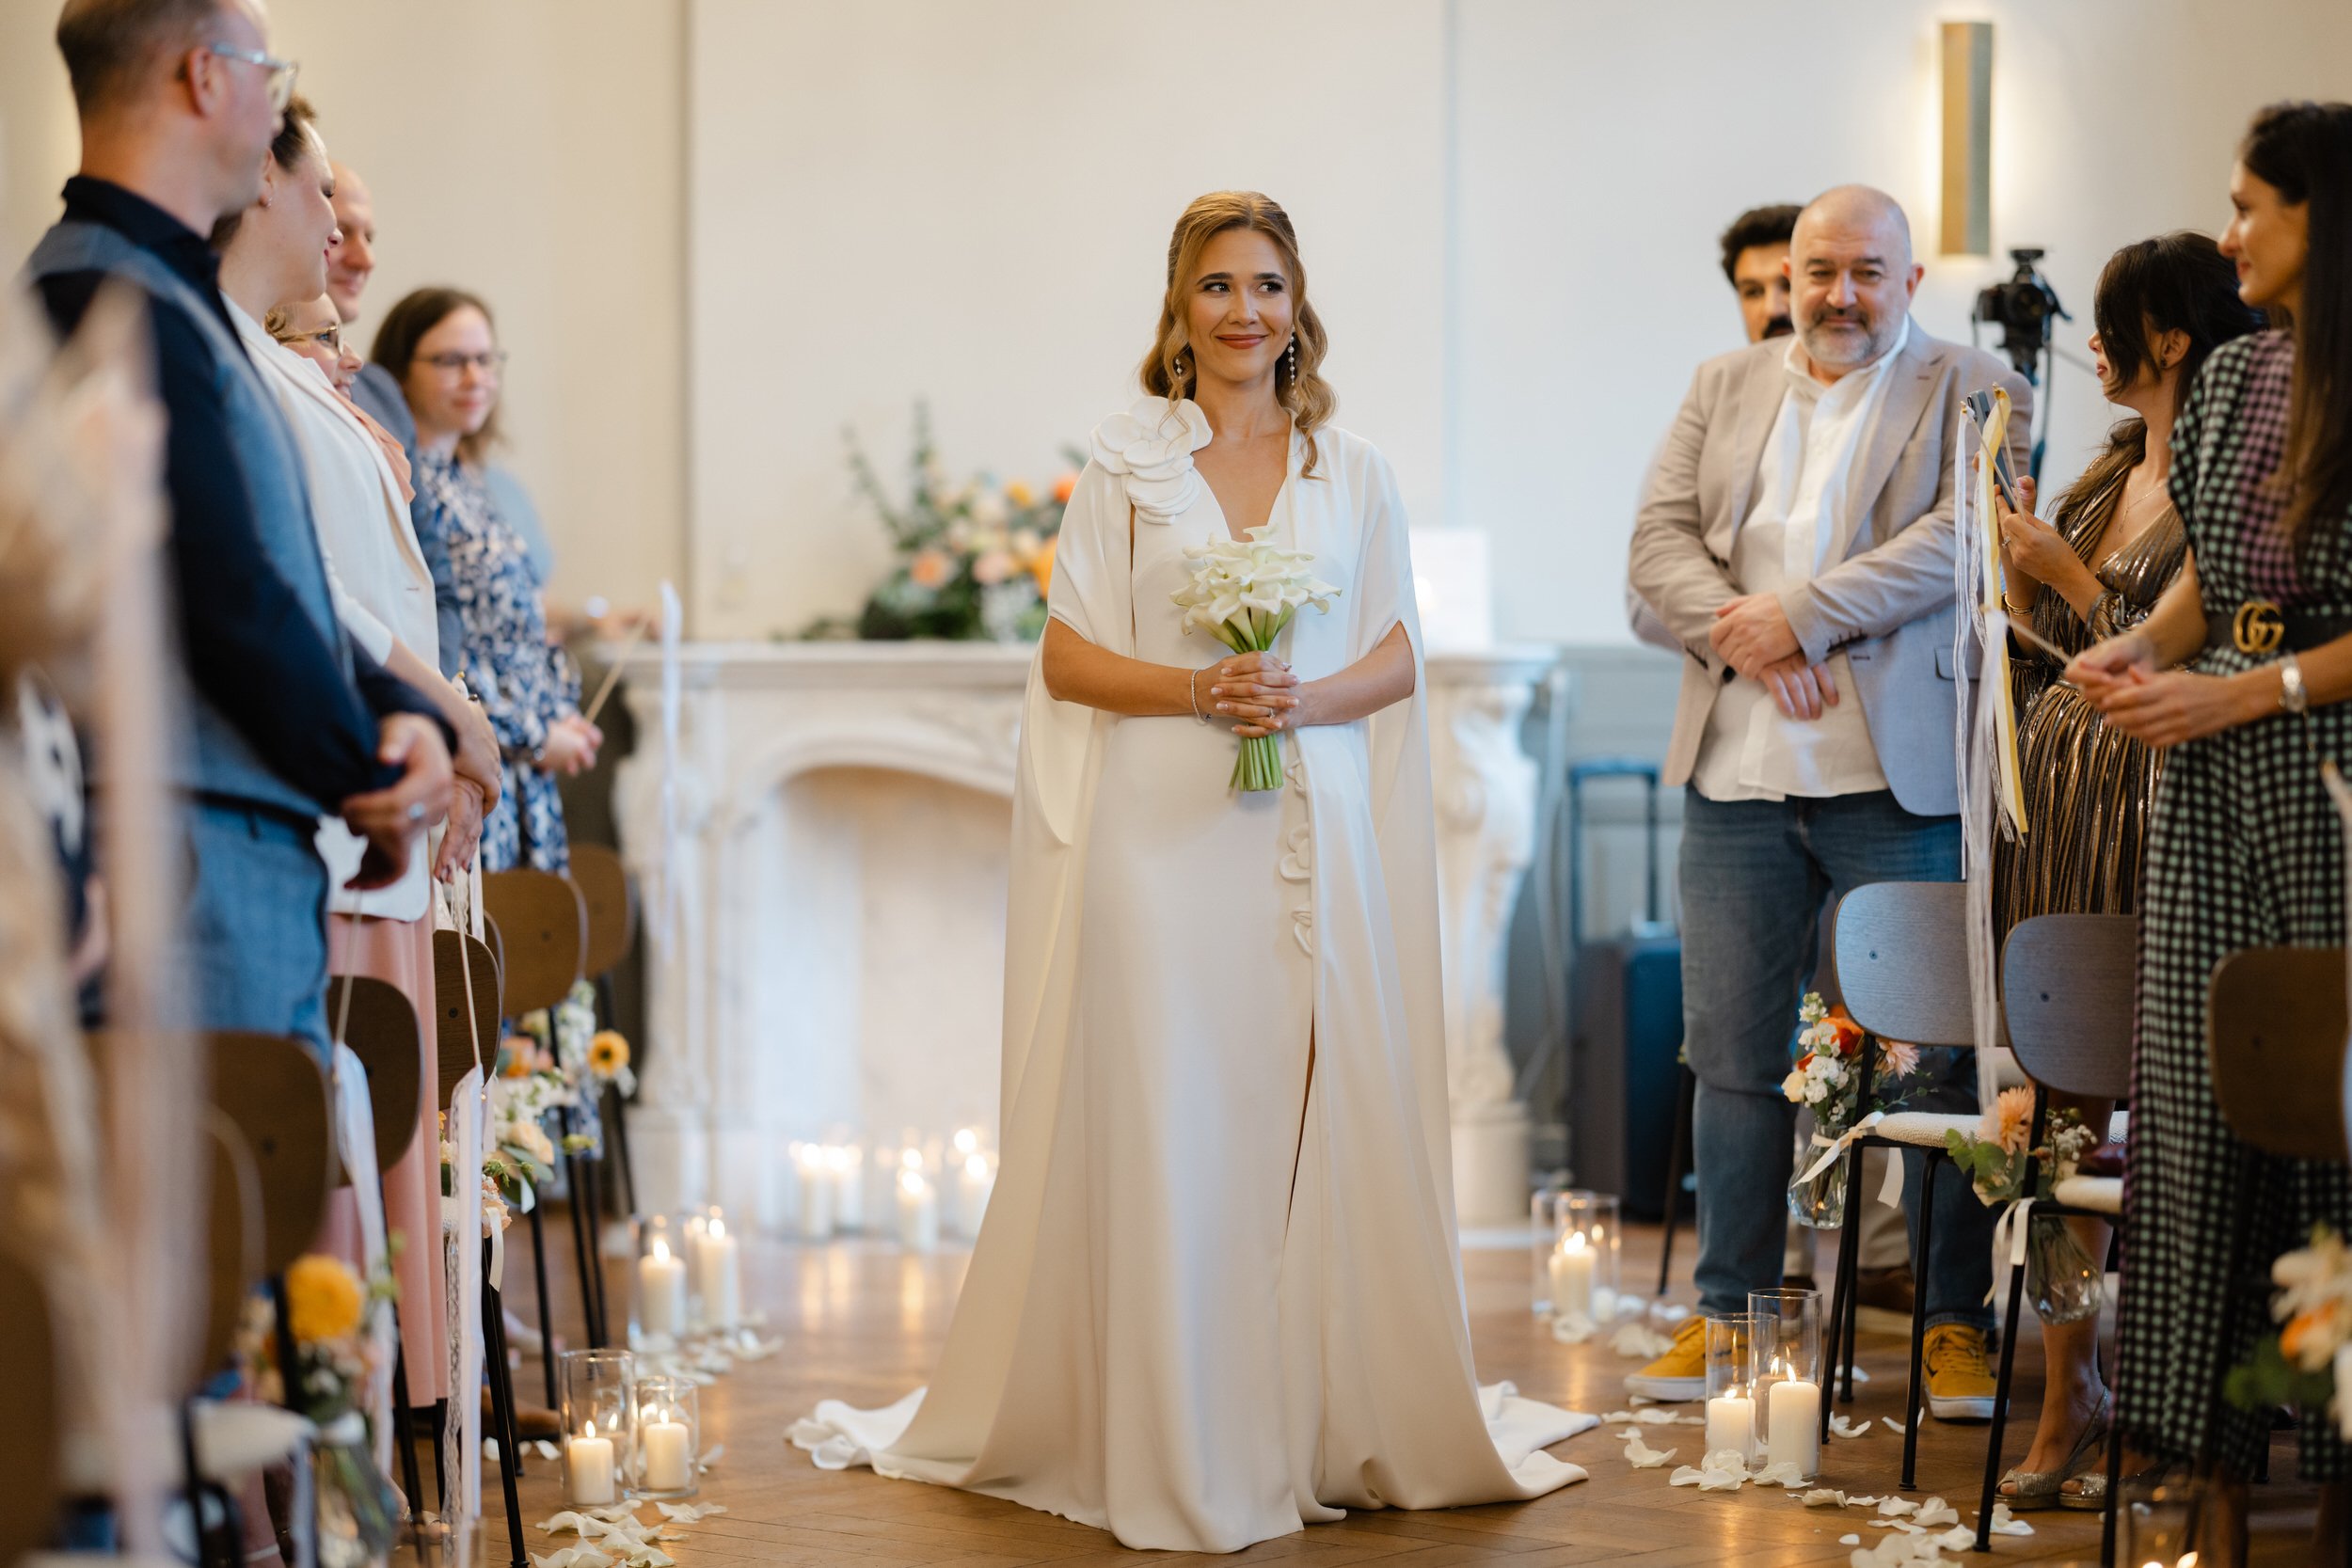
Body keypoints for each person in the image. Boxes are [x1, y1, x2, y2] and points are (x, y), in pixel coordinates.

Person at [788, 191, 1592, 1553]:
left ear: (1298, 304)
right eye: (1217, 286)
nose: (1243, 311)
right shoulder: (1127, 468)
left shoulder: (1356, 470)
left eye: (1266, 284)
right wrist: (1197, 687)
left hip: (1309, 826)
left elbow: (1398, 650)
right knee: (1174, 1123)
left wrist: (1304, 704)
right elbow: (1066, 655)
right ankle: (1172, 1430)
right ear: (1181, 307)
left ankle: (1299, 1411)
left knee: (1293, 1123)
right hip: (1156, 844)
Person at [1624, 185, 2026, 1413]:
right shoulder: (1720, 383)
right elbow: (1653, 559)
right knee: (1740, 1060)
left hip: (1896, 781)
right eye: (1819, 272)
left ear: (1909, 281)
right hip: (1736, 779)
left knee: (1935, 1057)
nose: (1840, 294)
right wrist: (1748, 638)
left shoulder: (1974, 381)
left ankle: (1954, 1319)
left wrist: (1801, 610)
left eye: (1867, 271)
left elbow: (1970, 540)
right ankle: (1733, 1309)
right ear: (1788, 278)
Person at [29, 0, 453, 1054]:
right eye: (272, 74)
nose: (278, 113)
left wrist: (397, 704)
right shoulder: (98, 293)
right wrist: (373, 760)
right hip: (180, 860)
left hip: (229, 841)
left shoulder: (171, 295)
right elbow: (220, 595)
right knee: (217, 1216)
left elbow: (278, 566)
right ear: (206, 79)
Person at [2068, 102, 2352, 1555]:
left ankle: (2337, 1451)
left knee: (2327, 1123)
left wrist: (2244, 691)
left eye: (2254, 207)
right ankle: (2206, 1463)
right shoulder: (2236, 370)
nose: (2228, 234)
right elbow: (2210, 581)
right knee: (2189, 1110)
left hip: (2328, 769)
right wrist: (2141, 651)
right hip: (2213, 769)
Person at [216, 95, 507, 1420]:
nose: (339, 224)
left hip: (377, 812)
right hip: (340, 805)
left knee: (383, 1137)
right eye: (325, 194)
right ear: (262, 190)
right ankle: (331, 1453)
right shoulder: (240, 365)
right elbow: (312, 590)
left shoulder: (289, 375)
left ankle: (368, 1441)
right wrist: (449, 707)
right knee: (333, 1161)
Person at [1983, 233, 2264, 1509]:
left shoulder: (2230, 466)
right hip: (2060, 810)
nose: (2090, 343)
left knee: (2171, 1119)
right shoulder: (2106, 464)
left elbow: (2189, 656)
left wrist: (2069, 576)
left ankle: (2173, 1404)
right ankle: (2066, 1386)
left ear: (2166, 336)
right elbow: (2050, 637)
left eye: (2112, 321)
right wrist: (2019, 568)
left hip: (2163, 812)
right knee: (2060, 1108)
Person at [373, 287, 598, 872]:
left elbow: (511, 630)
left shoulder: (471, 480)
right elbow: (437, 647)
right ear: (400, 372)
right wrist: (531, 733)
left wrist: (556, 719)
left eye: (485, 359)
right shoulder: (408, 487)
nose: (475, 376)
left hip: (523, 769)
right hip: (478, 760)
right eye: (451, 361)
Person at [1627, 204, 1806, 652]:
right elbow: (1642, 606)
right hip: (1734, 690)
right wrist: (1767, 636)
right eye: (1751, 291)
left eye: (1787, 285)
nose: (1773, 308)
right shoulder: (1696, 425)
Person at [328, 154, 468, 684]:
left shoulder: (380, 394)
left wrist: (438, 697)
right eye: (343, 233)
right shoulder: (263, 375)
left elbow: (437, 574)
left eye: (370, 236)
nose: (365, 259)